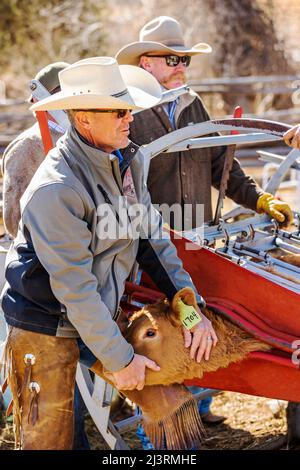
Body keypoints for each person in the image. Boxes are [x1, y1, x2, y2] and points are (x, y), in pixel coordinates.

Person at [1, 57, 218, 450]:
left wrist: (190, 311)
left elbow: (153, 242)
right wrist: (120, 360)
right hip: (46, 325)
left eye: (130, 109)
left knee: (169, 402)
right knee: (52, 440)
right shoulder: (58, 189)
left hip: (94, 308)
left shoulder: (126, 162)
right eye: (119, 111)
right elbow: (75, 289)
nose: (129, 119)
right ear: (84, 119)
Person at [116, 16, 293, 232]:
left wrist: (260, 200)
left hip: (200, 238)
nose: (181, 66)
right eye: (172, 59)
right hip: (150, 246)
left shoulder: (193, 103)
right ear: (146, 63)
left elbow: (220, 164)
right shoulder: (127, 112)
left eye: (185, 60)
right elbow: (117, 184)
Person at [1, 62, 91, 450]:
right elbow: (12, 220)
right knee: (50, 392)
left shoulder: (82, 144)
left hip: (81, 281)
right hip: (41, 285)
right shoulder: (29, 147)